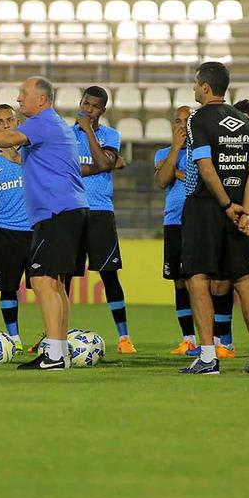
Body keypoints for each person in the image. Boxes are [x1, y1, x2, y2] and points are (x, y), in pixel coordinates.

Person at [0, 76, 88, 371]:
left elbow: (10, 138)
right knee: (55, 284)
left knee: (43, 280)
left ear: (40, 99)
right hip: (68, 211)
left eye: (23, 93)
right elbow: (23, 156)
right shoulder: (52, 124)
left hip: (57, 213)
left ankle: (54, 354)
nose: (19, 99)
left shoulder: (42, 122)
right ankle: (60, 351)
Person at [179, 62, 249, 375]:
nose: (193, 89)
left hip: (206, 207)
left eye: (195, 84)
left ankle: (207, 357)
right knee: (243, 279)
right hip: (239, 209)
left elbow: (205, 166)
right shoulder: (244, 121)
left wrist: (227, 204)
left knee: (197, 278)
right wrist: (245, 209)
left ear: (205, 87)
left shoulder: (198, 118)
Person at [202, 100, 249, 363]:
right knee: (220, 283)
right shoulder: (227, 147)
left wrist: (245, 212)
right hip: (226, 218)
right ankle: (225, 343)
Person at [70, 86, 135, 354]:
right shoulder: (65, 135)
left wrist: (88, 133)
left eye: (94, 106)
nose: (87, 109)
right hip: (70, 210)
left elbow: (102, 161)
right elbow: (67, 168)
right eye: (85, 103)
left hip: (100, 211)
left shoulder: (111, 135)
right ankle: (54, 335)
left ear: (102, 110)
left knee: (109, 275)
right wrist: (105, 164)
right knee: (63, 277)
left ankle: (124, 338)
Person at [0, 104, 31, 353]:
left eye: (11, 119)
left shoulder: (34, 151)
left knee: (45, 286)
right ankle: (15, 339)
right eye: (1, 122)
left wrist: (18, 159)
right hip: (4, 228)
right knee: (8, 287)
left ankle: (49, 336)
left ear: (18, 123)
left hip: (36, 228)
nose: (7, 124)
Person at [154, 105, 196, 355]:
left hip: (198, 222)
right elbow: (161, 181)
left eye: (186, 121)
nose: (181, 125)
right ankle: (188, 338)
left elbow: (195, 178)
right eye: (177, 121)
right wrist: (176, 151)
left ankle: (216, 340)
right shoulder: (164, 153)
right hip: (173, 222)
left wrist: (176, 172)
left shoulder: (203, 151)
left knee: (201, 281)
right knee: (179, 282)